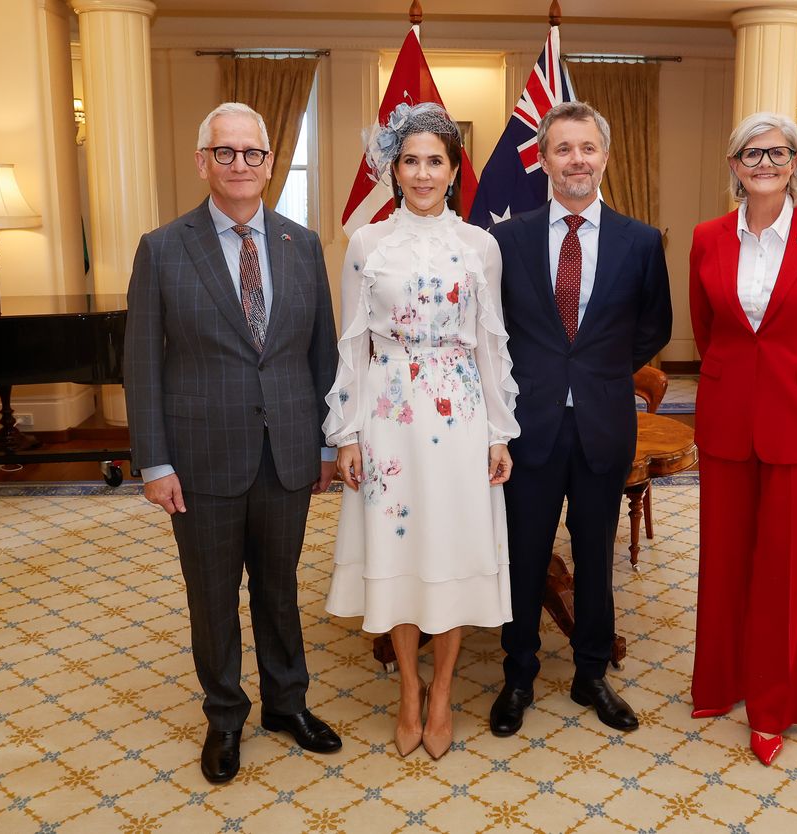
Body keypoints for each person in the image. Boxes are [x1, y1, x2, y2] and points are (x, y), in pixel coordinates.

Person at [124, 102, 342, 785]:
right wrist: (154, 461)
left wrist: (328, 448)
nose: (241, 165)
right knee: (213, 598)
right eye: (226, 153)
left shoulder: (302, 244)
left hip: (288, 454)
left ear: (270, 163)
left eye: (253, 154)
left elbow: (321, 356)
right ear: (203, 162)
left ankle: (287, 704)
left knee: (280, 591)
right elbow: (143, 365)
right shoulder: (162, 248)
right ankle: (224, 715)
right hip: (200, 457)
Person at [323, 102, 518, 760]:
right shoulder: (366, 244)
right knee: (400, 555)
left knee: (454, 552)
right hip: (388, 419)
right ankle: (408, 689)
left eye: (436, 160)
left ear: (454, 168)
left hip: (460, 416)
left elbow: (491, 347)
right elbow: (351, 346)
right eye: (411, 160)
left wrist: (499, 432)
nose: (424, 172)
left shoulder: (480, 247)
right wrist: (345, 433)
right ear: (394, 169)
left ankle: (442, 694)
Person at [487, 101, 673, 736]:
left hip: (602, 422)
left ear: (605, 157)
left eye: (587, 148)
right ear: (543, 160)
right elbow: (494, 330)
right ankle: (518, 674)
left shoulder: (641, 241)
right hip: (528, 425)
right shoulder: (505, 240)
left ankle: (592, 672)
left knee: (595, 557)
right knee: (524, 555)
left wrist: (598, 368)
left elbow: (654, 326)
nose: (576, 160)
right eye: (563, 148)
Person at [687, 112, 797, 766]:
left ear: (794, 162)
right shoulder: (708, 238)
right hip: (728, 418)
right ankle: (720, 682)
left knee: (790, 570)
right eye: (752, 154)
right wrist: (742, 386)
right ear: (735, 166)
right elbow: (708, 332)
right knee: (725, 557)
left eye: (778, 153)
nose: (765, 163)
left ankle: (774, 705)